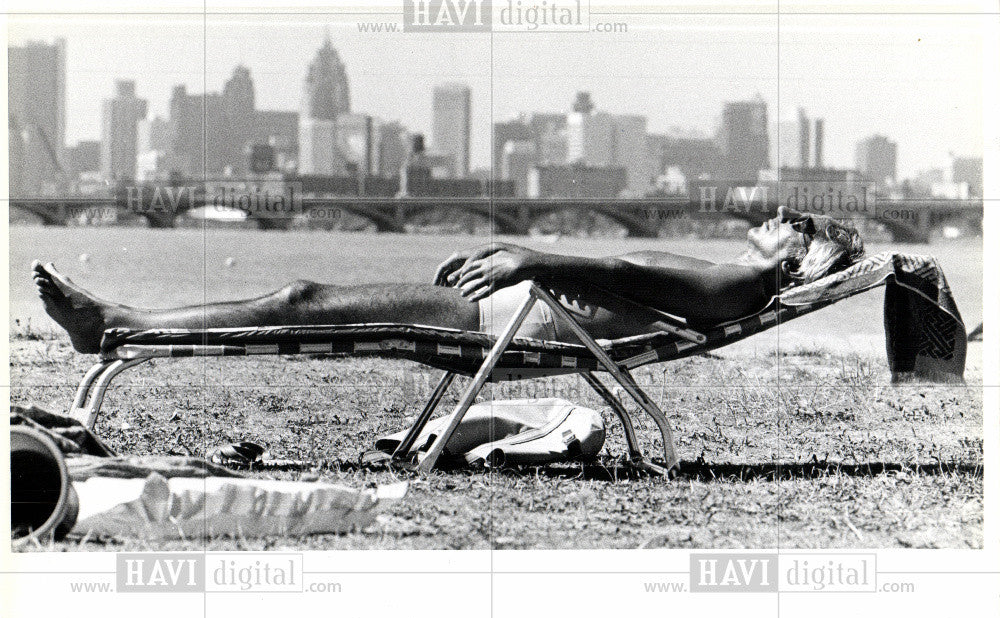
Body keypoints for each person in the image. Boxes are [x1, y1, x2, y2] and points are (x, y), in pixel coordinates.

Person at [33, 206, 864, 354]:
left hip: (514, 318)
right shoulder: (739, 279)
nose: (781, 213)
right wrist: (524, 260)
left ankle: (117, 324)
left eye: (795, 222)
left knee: (299, 302)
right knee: (299, 297)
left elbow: (622, 267)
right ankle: (120, 320)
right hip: (518, 308)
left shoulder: (741, 283)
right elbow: (631, 279)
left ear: (800, 253)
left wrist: (531, 258)